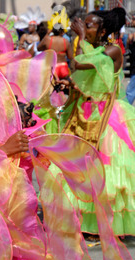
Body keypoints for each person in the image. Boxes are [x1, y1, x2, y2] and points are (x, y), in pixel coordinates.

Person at [51, 8, 135, 240]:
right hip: (86, 114)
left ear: (104, 30)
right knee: (82, 169)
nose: (85, 29)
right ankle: (88, 223)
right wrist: (69, 85)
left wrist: (77, 38)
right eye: (84, 25)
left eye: (90, 26)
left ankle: (112, 226)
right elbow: (81, 76)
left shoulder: (112, 50)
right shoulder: (97, 49)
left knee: (108, 172)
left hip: (108, 119)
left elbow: (79, 62)